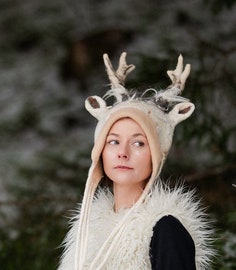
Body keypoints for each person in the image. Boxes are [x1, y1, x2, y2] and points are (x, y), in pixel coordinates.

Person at [58, 52, 214, 269]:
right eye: (113, 142)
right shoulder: (85, 231)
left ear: (156, 155)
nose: (123, 152)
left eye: (139, 143)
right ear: (100, 151)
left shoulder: (165, 229)